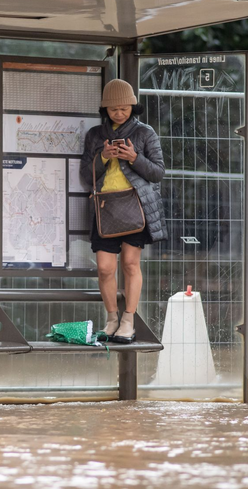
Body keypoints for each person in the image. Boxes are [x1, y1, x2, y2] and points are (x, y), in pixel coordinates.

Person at [80, 79, 166, 343]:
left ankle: (128, 319)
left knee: (130, 264)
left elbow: (158, 172)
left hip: (135, 206)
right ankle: (112, 318)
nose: (120, 113)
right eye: (114, 109)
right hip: (105, 207)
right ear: (105, 109)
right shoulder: (95, 134)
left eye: (125, 108)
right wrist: (104, 157)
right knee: (105, 268)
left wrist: (133, 158)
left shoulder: (145, 133)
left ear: (132, 106)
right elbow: (86, 176)